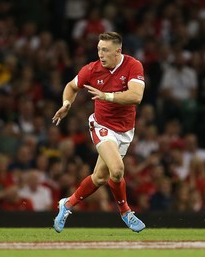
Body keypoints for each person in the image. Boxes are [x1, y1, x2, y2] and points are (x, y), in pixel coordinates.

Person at [52, 32, 146, 233]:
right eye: (99, 50)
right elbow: (71, 86)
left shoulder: (133, 65)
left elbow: (136, 96)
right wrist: (67, 103)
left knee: (101, 177)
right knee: (118, 170)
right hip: (102, 126)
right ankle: (125, 211)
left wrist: (107, 96)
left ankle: (67, 204)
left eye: (105, 50)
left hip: (126, 130)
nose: (100, 54)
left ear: (117, 51)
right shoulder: (91, 69)